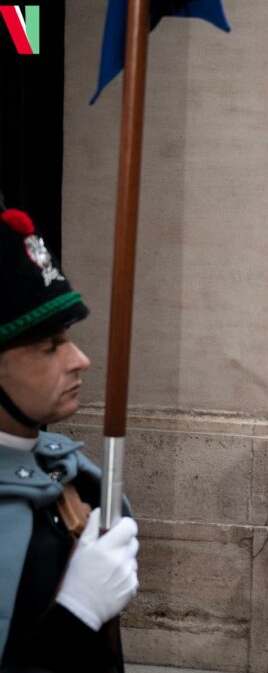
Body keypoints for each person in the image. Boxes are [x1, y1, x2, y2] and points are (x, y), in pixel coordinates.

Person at [0, 207, 139, 670]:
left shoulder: (76, 481)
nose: (80, 359)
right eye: (48, 346)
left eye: (68, 338)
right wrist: (75, 615)